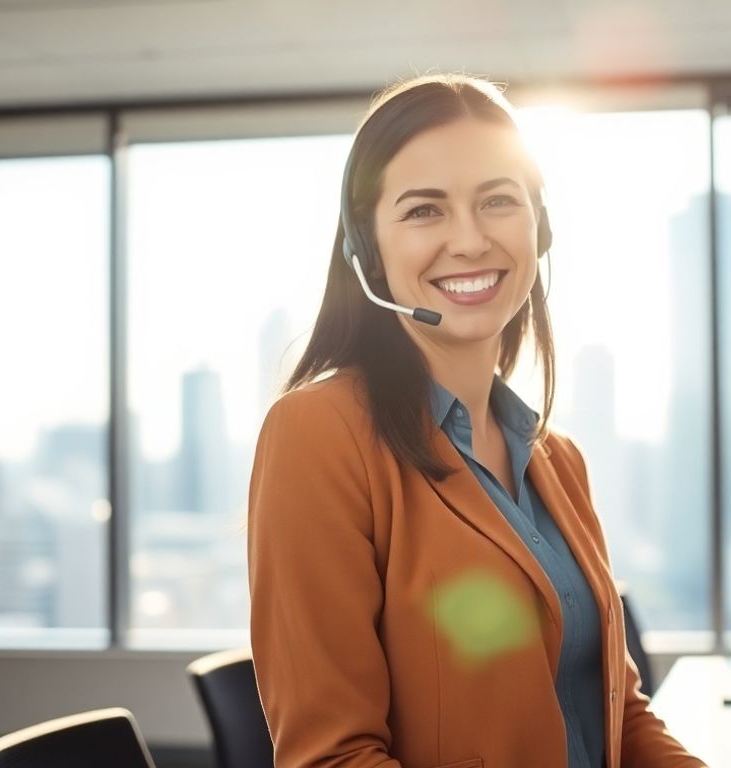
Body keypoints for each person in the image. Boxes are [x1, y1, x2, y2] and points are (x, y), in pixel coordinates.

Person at [247, 73, 706, 768]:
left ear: (538, 226)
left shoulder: (557, 460)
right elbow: (331, 758)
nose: (469, 240)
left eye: (497, 201)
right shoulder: (319, 435)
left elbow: (619, 712)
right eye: (424, 211)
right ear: (367, 249)